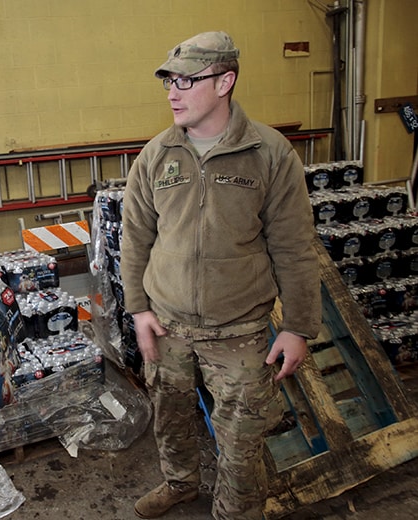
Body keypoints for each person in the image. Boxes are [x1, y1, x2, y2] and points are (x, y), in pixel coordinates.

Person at [120, 32, 320, 519]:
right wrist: (139, 310)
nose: (173, 93)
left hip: (238, 330)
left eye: (186, 81)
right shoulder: (157, 155)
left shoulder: (269, 153)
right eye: (169, 81)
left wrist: (297, 326)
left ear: (225, 81)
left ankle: (235, 512)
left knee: (242, 439)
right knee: (171, 418)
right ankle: (180, 483)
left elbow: (294, 246)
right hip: (167, 325)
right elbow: (135, 238)